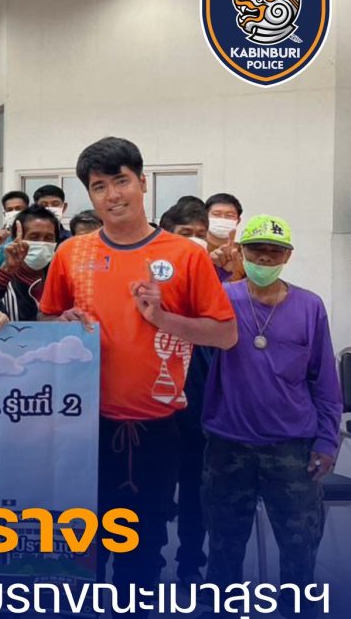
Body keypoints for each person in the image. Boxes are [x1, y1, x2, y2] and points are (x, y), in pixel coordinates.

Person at [38, 137, 237, 615]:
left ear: (142, 183)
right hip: (81, 427)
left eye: (121, 181)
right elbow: (46, 319)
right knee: (82, 549)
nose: (112, 195)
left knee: (143, 552)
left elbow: (226, 334)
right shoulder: (71, 253)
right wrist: (61, 322)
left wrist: (163, 319)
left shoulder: (186, 255)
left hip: (155, 430)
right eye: (99, 186)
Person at [201, 215, 340, 617]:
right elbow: (186, 307)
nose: (265, 258)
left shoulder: (310, 306)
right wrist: (214, 267)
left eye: (274, 252)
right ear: (241, 252)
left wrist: (327, 440)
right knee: (223, 546)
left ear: (288, 256)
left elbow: (325, 381)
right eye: (256, 250)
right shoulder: (223, 298)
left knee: (300, 547)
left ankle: (297, 609)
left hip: (292, 448)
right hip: (228, 445)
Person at [157, 200, 214, 584]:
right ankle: (151, 560)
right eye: (185, 234)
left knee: (197, 492)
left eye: (200, 235)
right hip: (154, 410)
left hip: (200, 408)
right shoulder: (147, 283)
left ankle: (191, 562)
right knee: (155, 495)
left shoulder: (214, 285)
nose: (194, 242)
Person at [0, 204, 58, 322]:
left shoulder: (59, 282)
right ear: (17, 239)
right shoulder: (1, 282)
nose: (42, 243)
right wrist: (7, 270)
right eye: (34, 237)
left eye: (49, 238)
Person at [205, 192, 247, 282]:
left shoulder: (243, 253)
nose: (222, 219)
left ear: (238, 221)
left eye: (230, 216)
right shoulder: (196, 248)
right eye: (216, 214)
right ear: (205, 217)